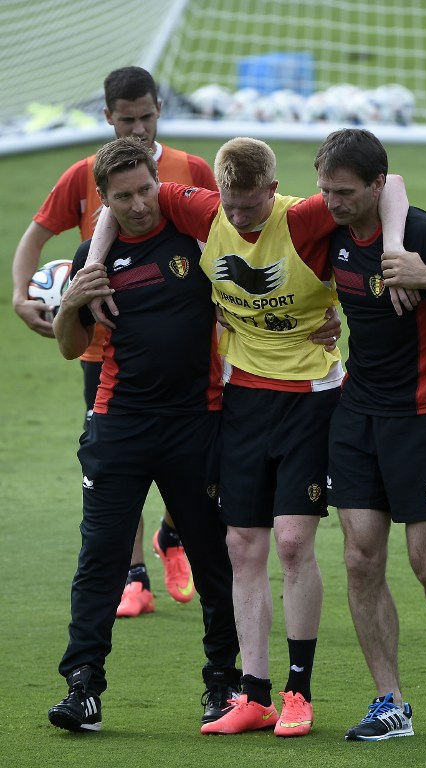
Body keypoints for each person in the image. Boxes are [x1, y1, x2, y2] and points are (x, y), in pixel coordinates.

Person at [87, 136, 410, 737]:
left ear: (273, 189)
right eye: (229, 206)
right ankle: (252, 695)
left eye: (249, 207)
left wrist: (391, 250)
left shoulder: (306, 216)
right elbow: (118, 199)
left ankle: (299, 692)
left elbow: (389, 186)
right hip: (241, 402)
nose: (237, 218)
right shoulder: (205, 210)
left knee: (292, 542)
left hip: (312, 401)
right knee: (242, 546)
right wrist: (91, 264)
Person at [47, 137, 242, 733]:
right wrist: (69, 303)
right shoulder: (92, 257)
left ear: (157, 178)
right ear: (103, 200)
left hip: (197, 423)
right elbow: (72, 347)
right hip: (120, 423)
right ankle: (83, 688)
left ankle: (224, 686)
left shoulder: (195, 239)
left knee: (215, 560)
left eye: (145, 189)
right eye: (123, 196)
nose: (138, 204)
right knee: (100, 558)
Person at [11, 66, 220, 617]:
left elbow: (226, 236)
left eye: (147, 117)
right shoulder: (84, 174)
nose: (138, 129)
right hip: (104, 346)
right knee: (115, 469)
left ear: (158, 112)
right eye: (126, 120)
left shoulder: (190, 170)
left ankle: (173, 535)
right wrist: (19, 293)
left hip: (185, 340)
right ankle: (133, 577)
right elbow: (37, 233)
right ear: (108, 118)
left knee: (200, 463)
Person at [314, 128, 426, 741]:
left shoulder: (420, 234)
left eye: (345, 191)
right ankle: (389, 701)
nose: (333, 202)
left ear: (373, 186)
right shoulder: (331, 229)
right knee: (361, 557)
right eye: (326, 190)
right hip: (357, 414)